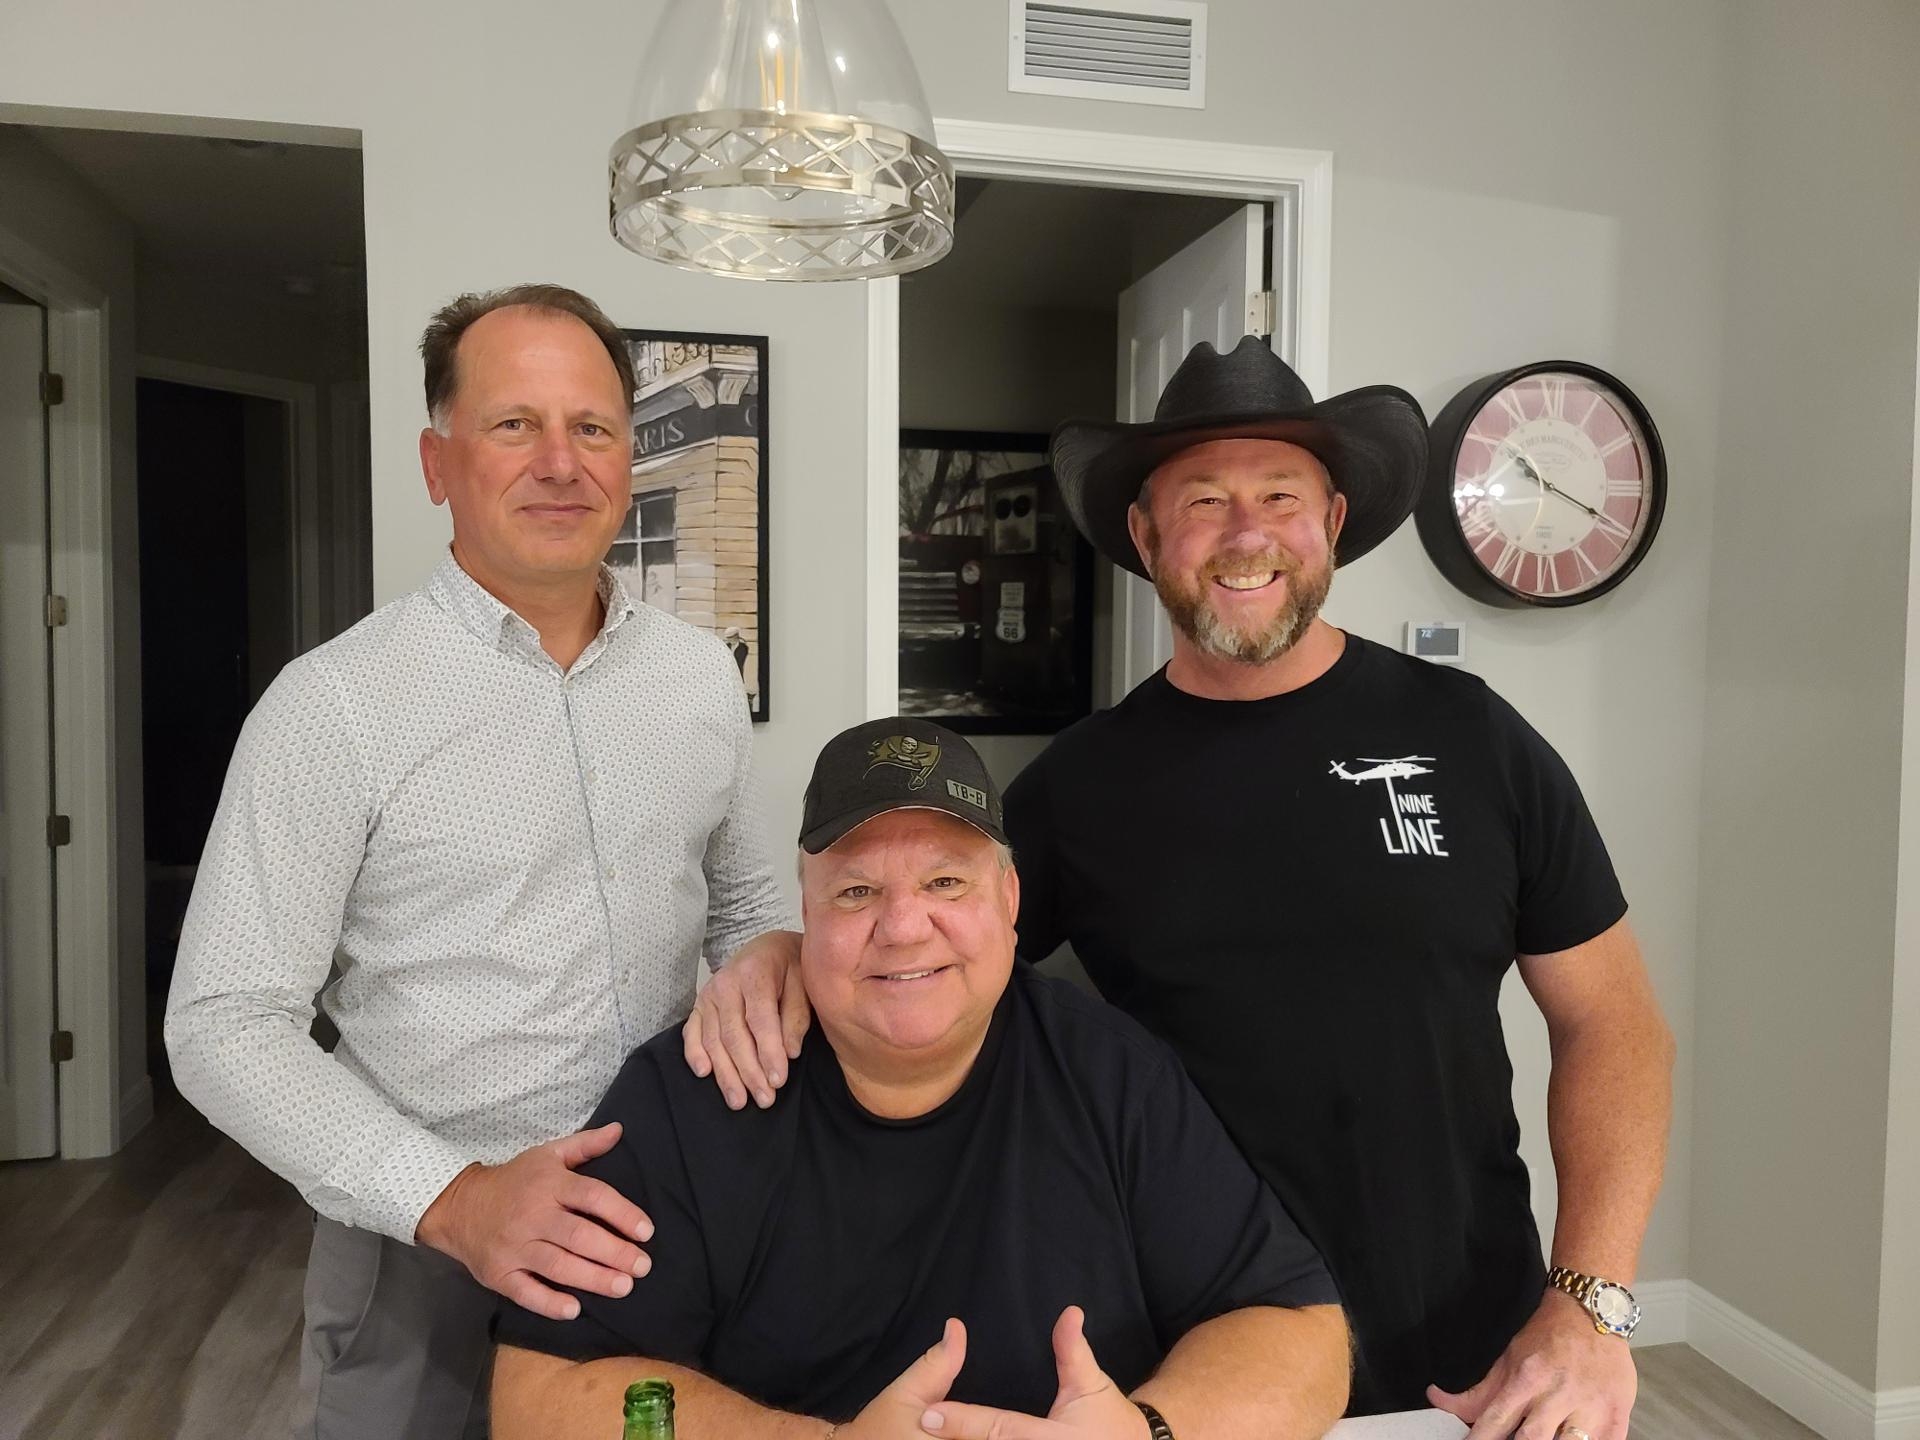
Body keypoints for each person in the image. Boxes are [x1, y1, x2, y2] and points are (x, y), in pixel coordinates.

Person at [686, 340, 1675, 1440]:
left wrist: (1590, 1304)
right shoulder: (1078, 789)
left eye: (1280, 496)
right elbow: (930, 952)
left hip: (1471, 1366)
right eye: (1204, 500)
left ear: (1332, 521)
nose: (1246, 533)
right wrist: (788, 951)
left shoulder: (1473, 737)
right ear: (1146, 536)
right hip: (1194, 1370)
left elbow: (1614, 1022)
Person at [165, 283, 796, 1440]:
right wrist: (455, 1201)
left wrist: (765, 952)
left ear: (628, 458)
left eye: (592, 427)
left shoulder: (699, 676)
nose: (560, 462)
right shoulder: (335, 704)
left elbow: (747, 901)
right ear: (436, 462)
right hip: (427, 1257)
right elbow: (222, 1023)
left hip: (666, 1218)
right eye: (514, 424)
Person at [494, 718, 1349, 1440]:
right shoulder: (694, 1091)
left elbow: (1300, 1331)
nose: (904, 927)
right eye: (857, 892)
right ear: (805, 914)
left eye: (946, 881)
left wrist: (1150, 1432)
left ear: (1009, 902)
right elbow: (539, 1394)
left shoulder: (1114, 1077)